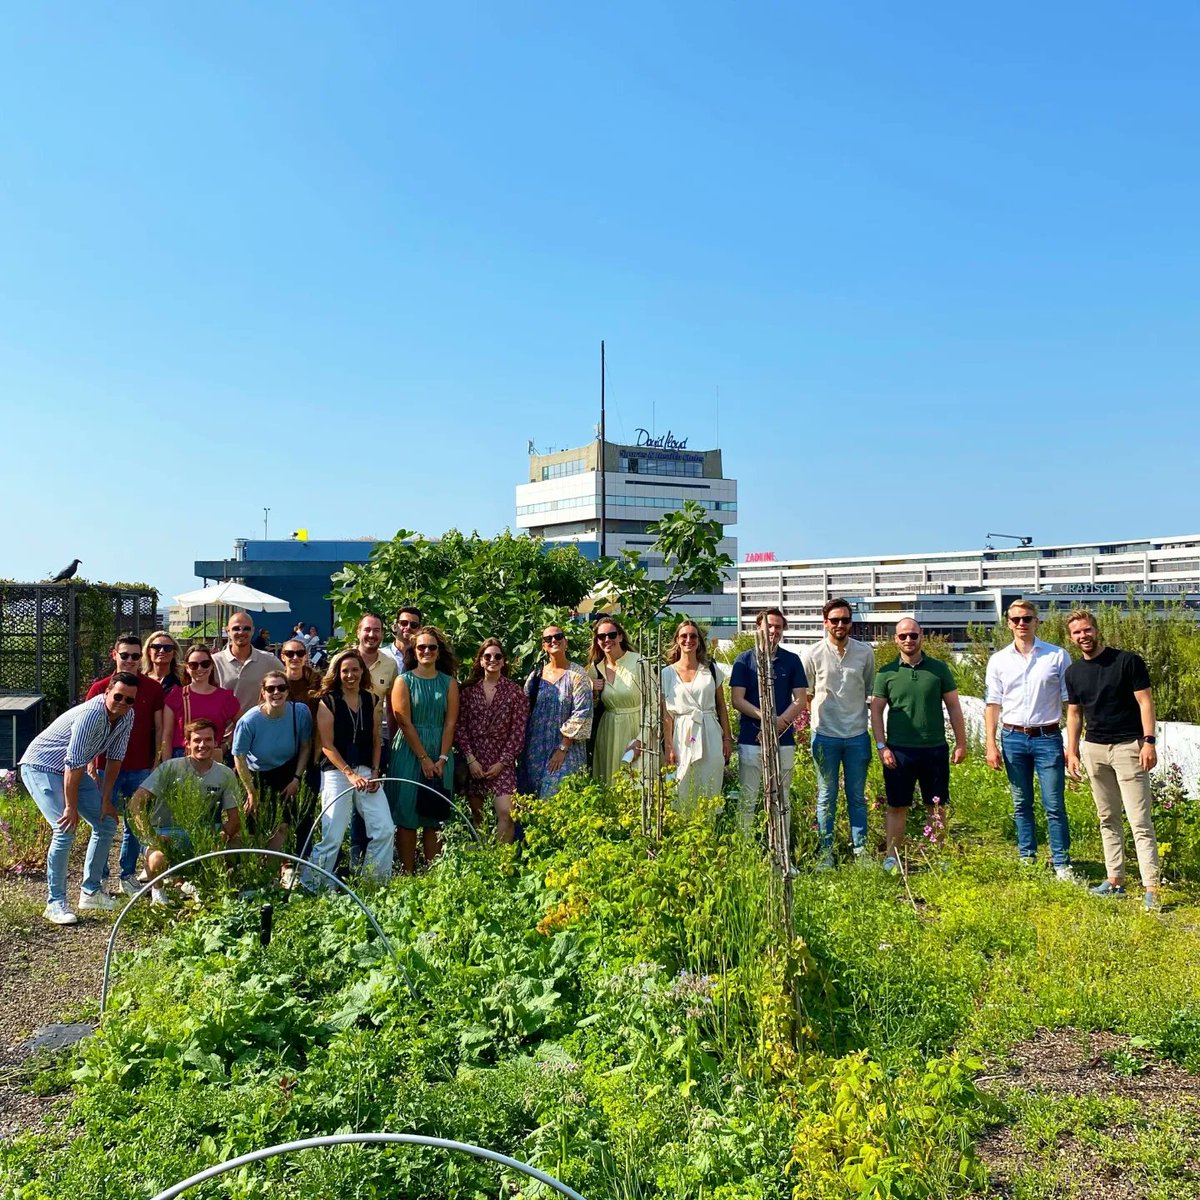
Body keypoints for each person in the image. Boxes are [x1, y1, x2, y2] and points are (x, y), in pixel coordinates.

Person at [18, 674, 139, 924]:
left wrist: (106, 799)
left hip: (73, 769)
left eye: (129, 700)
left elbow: (115, 759)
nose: (123, 703)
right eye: (118, 696)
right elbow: (72, 764)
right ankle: (55, 903)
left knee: (106, 822)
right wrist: (71, 807)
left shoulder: (127, 715)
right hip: (41, 766)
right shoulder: (91, 715)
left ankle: (91, 891)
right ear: (106, 693)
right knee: (65, 828)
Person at [1064, 610, 1162, 910]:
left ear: (1096, 630)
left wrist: (1149, 742)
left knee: (1139, 821)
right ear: (1071, 637)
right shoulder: (1074, 673)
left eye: (1087, 630)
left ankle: (1152, 888)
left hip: (1128, 748)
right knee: (1107, 818)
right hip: (1094, 749)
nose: (1083, 636)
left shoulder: (1126, 661)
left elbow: (1145, 701)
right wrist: (1072, 751)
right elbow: (1075, 713)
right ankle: (1115, 880)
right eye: (1077, 632)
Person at [984, 600, 1076, 881]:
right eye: (1016, 620)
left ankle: (1061, 863)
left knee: (1054, 803)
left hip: (1047, 737)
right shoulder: (998, 660)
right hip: (1012, 737)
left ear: (1037, 621)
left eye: (1027, 619)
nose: (1021, 624)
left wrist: (1072, 747)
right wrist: (991, 743)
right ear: (1008, 623)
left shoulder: (1057, 656)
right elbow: (992, 704)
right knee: (1021, 802)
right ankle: (1027, 856)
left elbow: (1071, 704)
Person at [870, 619, 967, 871]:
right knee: (896, 804)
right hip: (898, 750)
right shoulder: (886, 673)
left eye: (913, 635)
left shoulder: (939, 669)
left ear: (921, 636)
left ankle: (938, 853)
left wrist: (961, 743)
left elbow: (954, 707)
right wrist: (882, 746)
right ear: (896, 640)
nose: (908, 640)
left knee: (936, 804)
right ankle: (893, 856)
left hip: (934, 748)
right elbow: (876, 712)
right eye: (903, 636)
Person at [303, 649, 394, 886]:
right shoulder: (329, 701)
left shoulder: (371, 699)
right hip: (336, 772)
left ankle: (373, 882)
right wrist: (349, 774)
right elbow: (327, 746)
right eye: (345, 671)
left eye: (355, 669)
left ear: (362, 671)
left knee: (384, 828)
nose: (350, 675)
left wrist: (375, 771)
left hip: (366, 770)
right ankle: (314, 886)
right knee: (333, 835)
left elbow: (376, 738)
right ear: (337, 673)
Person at [129, 719, 243, 904]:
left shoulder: (225, 774)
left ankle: (209, 889)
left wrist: (223, 833)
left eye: (208, 740)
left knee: (236, 847)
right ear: (187, 743)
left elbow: (235, 817)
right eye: (197, 740)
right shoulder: (170, 768)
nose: (202, 745)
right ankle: (158, 895)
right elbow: (135, 803)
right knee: (157, 858)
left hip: (204, 831)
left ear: (216, 743)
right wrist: (151, 836)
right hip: (166, 830)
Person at [85, 633, 165, 896]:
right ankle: (100, 878)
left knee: (135, 822)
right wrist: (89, 765)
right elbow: (85, 731)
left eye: (135, 656)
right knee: (103, 822)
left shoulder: (152, 688)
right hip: (104, 765)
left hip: (140, 765)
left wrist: (157, 761)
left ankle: (127, 874)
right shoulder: (100, 688)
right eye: (125, 655)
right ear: (114, 655)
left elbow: (158, 727)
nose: (130, 660)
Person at [802, 599, 876, 869]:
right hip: (825, 735)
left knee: (856, 796)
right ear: (825, 623)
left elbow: (868, 689)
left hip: (857, 734)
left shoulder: (865, 653)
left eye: (845, 620)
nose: (840, 625)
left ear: (851, 622)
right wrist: (819, 722)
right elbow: (807, 695)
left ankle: (860, 851)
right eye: (834, 620)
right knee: (826, 795)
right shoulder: (812, 654)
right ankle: (826, 853)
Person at [729, 608, 809, 833]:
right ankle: (745, 850)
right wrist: (766, 719)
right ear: (758, 628)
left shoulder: (791, 660)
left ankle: (781, 850)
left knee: (782, 798)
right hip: (750, 738)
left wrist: (776, 724)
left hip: (783, 739)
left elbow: (800, 700)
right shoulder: (744, 660)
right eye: (769, 626)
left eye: (778, 626)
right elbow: (737, 699)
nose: (773, 631)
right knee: (749, 797)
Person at [388, 626, 460, 873]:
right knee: (407, 816)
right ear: (414, 651)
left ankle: (432, 876)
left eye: (432, 647)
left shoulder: (449, 683)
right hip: (410, 751)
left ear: (439, 652)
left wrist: (440, 758)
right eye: (421, 647)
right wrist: (423, 758)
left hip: (441, 751)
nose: (426, 651)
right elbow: (403, 721)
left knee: (435, 816)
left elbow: (451, 722)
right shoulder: (403, 680)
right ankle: (408, 874)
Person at [231, 670, 314, 855]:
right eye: (271, 688)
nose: (276, 692)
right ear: (263, 692)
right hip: (255, 774)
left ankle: (274, 870)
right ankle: (248, 869)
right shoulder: (249, 720)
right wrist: (251, 791)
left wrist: (296, 778)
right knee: (252, 827)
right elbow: (239, 757)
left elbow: (306, 746)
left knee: (282, 826)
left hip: (286, 771)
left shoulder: (300, 712)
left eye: (281, 688)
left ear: (287, 691)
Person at [457, 639, 530, 841]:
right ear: (480, 661)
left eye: (497, 656)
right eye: (487, 656)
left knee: (506, 813)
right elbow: (459, 727)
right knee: (479, 818)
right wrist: (471, 760)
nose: (492, 660)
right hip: (475, 762)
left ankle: (501, 862)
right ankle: (482, 864)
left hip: (502, 762)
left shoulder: (515, 693)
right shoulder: (468, 692)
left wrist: (502, 762)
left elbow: (518, 732)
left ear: (504, 661)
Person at [661, 620, 733, 812]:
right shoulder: (667, 673)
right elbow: (666, 715)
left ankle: (708, 831)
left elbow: (721, 706)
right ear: (677, 640)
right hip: (682, 733)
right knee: (681, 782)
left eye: (693, 636)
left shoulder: (710, 669)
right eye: (684, 636)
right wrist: (668, 746)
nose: (688, 640)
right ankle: (683, 832)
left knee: (709, 784)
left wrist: (727, 738)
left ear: (699, 641)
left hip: (709, 731)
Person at [520, 625, 593, 799]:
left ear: (565, 642)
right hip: (536, 749)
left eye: (558, 636)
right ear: (543, 646)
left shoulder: (578, 675)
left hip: (566, 750)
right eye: (548, 639)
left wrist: (562, 747)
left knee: (555, 796)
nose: (554, 641)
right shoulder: (536, 676)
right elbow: (524, 709)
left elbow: (582, 713)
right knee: (534, 801)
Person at [588, 618, 644, 783]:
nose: (607, 639)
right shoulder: (595, 668)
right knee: (611, 782)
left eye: (612, 634)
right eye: (601, 636)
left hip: (636, 728)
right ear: (597, 641)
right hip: (608, 732)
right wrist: (592, 692)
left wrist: (642, 738)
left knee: (638, 783)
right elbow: (589, 707)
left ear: (620, 637)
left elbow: (653, 705)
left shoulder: (638, 661)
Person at [161, 646, 240, 761]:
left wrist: (227, 744)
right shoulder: (176, 695)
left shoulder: (225, 697)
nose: (199, 668)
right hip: (182, 755)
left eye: (205, 664)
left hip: (212, 754)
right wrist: (166, 765)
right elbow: (167, 734)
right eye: (194, 665)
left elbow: (243, 725)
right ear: (187, 668)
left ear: (211, 666)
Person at [214, 612, 281, 715]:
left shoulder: (269, 660)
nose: (241, 632)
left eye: (246, 628)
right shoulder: (214, 662)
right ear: (228, 631)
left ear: (253, 630)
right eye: (236, 628)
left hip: (258, 728)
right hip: (225, 730)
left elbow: (289, 682)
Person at [142, 630, 185, 695]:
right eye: (156, 647)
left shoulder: (182, 682)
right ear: (149, 651)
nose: (162, 651)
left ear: (174, 653)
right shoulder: (140, 680)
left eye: (168, 648)